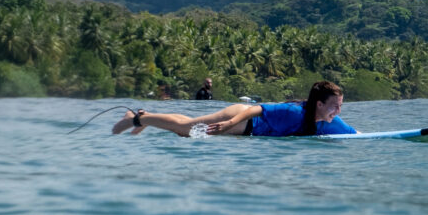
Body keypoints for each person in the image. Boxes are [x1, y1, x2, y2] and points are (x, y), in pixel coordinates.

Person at [112, 80, 356, 137]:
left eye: (340, 106)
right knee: (186, 129)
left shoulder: (325, 120)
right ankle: (136, 118)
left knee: (187, 126)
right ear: (320, 104)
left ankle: (143, 117)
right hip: (240, 119)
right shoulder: (295, 112)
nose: (338, 112)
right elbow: (256, 109)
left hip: (243, 129)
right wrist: (229, 124)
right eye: (335, 106)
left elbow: (352, 133)